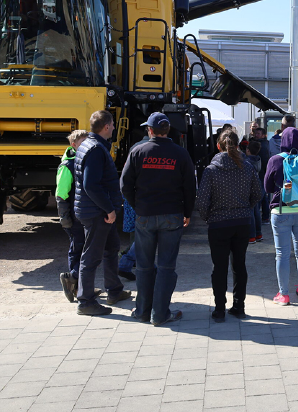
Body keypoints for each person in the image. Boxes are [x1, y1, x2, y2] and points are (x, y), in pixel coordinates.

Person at [120, 112, 196, 326]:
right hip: (172, 216)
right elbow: (190, 187)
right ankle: (160, 314)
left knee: (143, 266)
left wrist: (138, 206)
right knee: (166, 267)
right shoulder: (180, 154)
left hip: (145, 215)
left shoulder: (138, 151)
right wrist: (187, 213)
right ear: (168, 130)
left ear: (150, 130)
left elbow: (125, 185)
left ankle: (143, 311)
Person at [197, 130, 263, 321]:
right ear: (238, 145)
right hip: (242, 222)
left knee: (219, 267)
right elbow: (258, 194)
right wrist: (245, 208)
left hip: (218, 223)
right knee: (239, 265)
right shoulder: (248, 167)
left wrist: (208, 217)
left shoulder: (211, 170)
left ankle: (219, 309)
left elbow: (202, 201)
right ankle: (239, 306)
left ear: (218, 146)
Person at [74, 110, 131, 316]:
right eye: (113, 125)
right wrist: (109, 209)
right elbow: (91, 185)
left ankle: (114, 290)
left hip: (95, 210)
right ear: (106, 126)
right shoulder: (96, 149)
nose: (115, 128)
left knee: (112, 247)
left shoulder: (88, 145)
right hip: (98, 212)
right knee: (91, 257)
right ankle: (85, 301)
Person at [264, 127, 298, 305]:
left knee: (282, 254)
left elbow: (268, 188)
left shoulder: (275, 160)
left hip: (281, 211)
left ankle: (283, 295)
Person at [56, 129, 89, 302]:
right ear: (73, 145)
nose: (86, 145)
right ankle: (71, 279)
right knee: (78, 249)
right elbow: (61, 195)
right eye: (82, 142)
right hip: (74, 218)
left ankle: (78, 287)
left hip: (81, 215)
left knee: (82, 249)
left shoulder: (82, 162)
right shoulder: (67, 166)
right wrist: (65, 219)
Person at [245, 140, 264, 243]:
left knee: (251, 212)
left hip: (249, 187)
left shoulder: (247, 162)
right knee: (256, 211)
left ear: (248, 150)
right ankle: (258, 233)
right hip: (257, 186)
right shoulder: (258, 159)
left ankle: (251, 235)